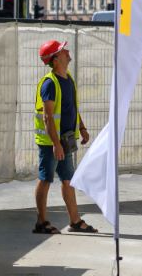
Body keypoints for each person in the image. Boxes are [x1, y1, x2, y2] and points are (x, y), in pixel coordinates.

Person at [33, 40, 97, 234]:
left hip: (65, 140)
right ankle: (41, 223)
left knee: (68, 179)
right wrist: (55, 144)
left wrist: (82, 127)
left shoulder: (67, 78)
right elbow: (48, 117)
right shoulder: (49, 84)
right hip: (51, 143)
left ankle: (75, 221)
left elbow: (71, 108)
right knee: (45, 179)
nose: (67, 51)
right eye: (63, 50)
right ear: (56, 59)